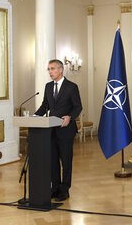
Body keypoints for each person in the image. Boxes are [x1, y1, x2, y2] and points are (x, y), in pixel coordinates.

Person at [35, 59, 82, 201]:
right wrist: (35, 116)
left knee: (66, 161)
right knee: (53, 161)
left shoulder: (71, 87)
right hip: (50, 130)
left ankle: (64, 189)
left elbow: (78, 107)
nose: (50, 72)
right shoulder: (48, 87)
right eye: (48, 69)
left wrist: (70, 117)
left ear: (60, 70)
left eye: (52, 69)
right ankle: (54, 188)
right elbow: (45, 105)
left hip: (66, 130)